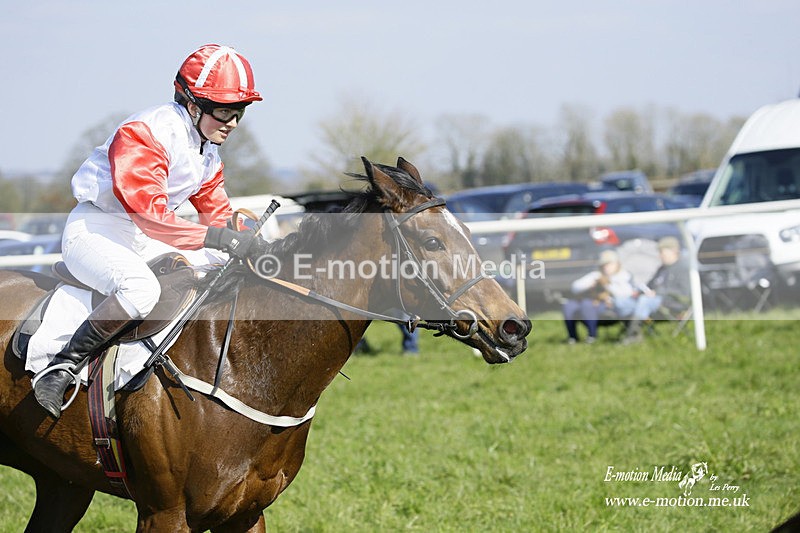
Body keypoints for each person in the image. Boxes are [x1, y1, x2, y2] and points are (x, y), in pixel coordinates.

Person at [33, 44, 268, 418]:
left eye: (239, 112)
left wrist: (247, 238)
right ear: (193, 104)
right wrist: (216, 237)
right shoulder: (146, 133)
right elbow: (149, 215)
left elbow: (216, 213)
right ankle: (61, 366)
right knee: (140, 289)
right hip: (97, 230)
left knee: (216, 268)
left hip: (146, 236)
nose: (233, 122)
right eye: (224, 111)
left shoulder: (207, 151)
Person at [620, 236, 691, 344]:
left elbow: (684, 293)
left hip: (672, 304)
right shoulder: (662, 268)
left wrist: (658, 293)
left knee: (645, 301)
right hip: (653, 300)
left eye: (662, 252)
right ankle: (625, 331)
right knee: (624, 302)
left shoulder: (683, 268)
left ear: (674, 251)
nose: (659, 256)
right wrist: (639, 292)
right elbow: (650, 285)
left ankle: (634, 334)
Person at [562, 249, 636, 344]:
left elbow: (625, 294)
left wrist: (606, 285)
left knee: (587, 304)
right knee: (569, 306)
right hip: (591, 303)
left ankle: (592, 336)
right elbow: (575, 287)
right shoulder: (596, 275)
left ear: (617, 264)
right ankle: (572, 337)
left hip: (611, 306)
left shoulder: (623, 275)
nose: (606, 267)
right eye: (603, 265)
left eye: (609, 264)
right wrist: (590, 284)